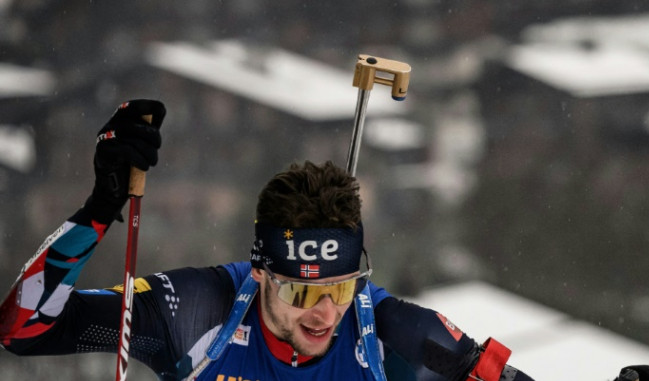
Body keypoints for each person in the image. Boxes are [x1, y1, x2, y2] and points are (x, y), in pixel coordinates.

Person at [0, 99, 535, 381]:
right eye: (302, 293)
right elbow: (22, 332)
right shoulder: (195, 314)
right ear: (260, 272)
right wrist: (98, 209)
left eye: (343, 289)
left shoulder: (396, 337)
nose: (326, 313)